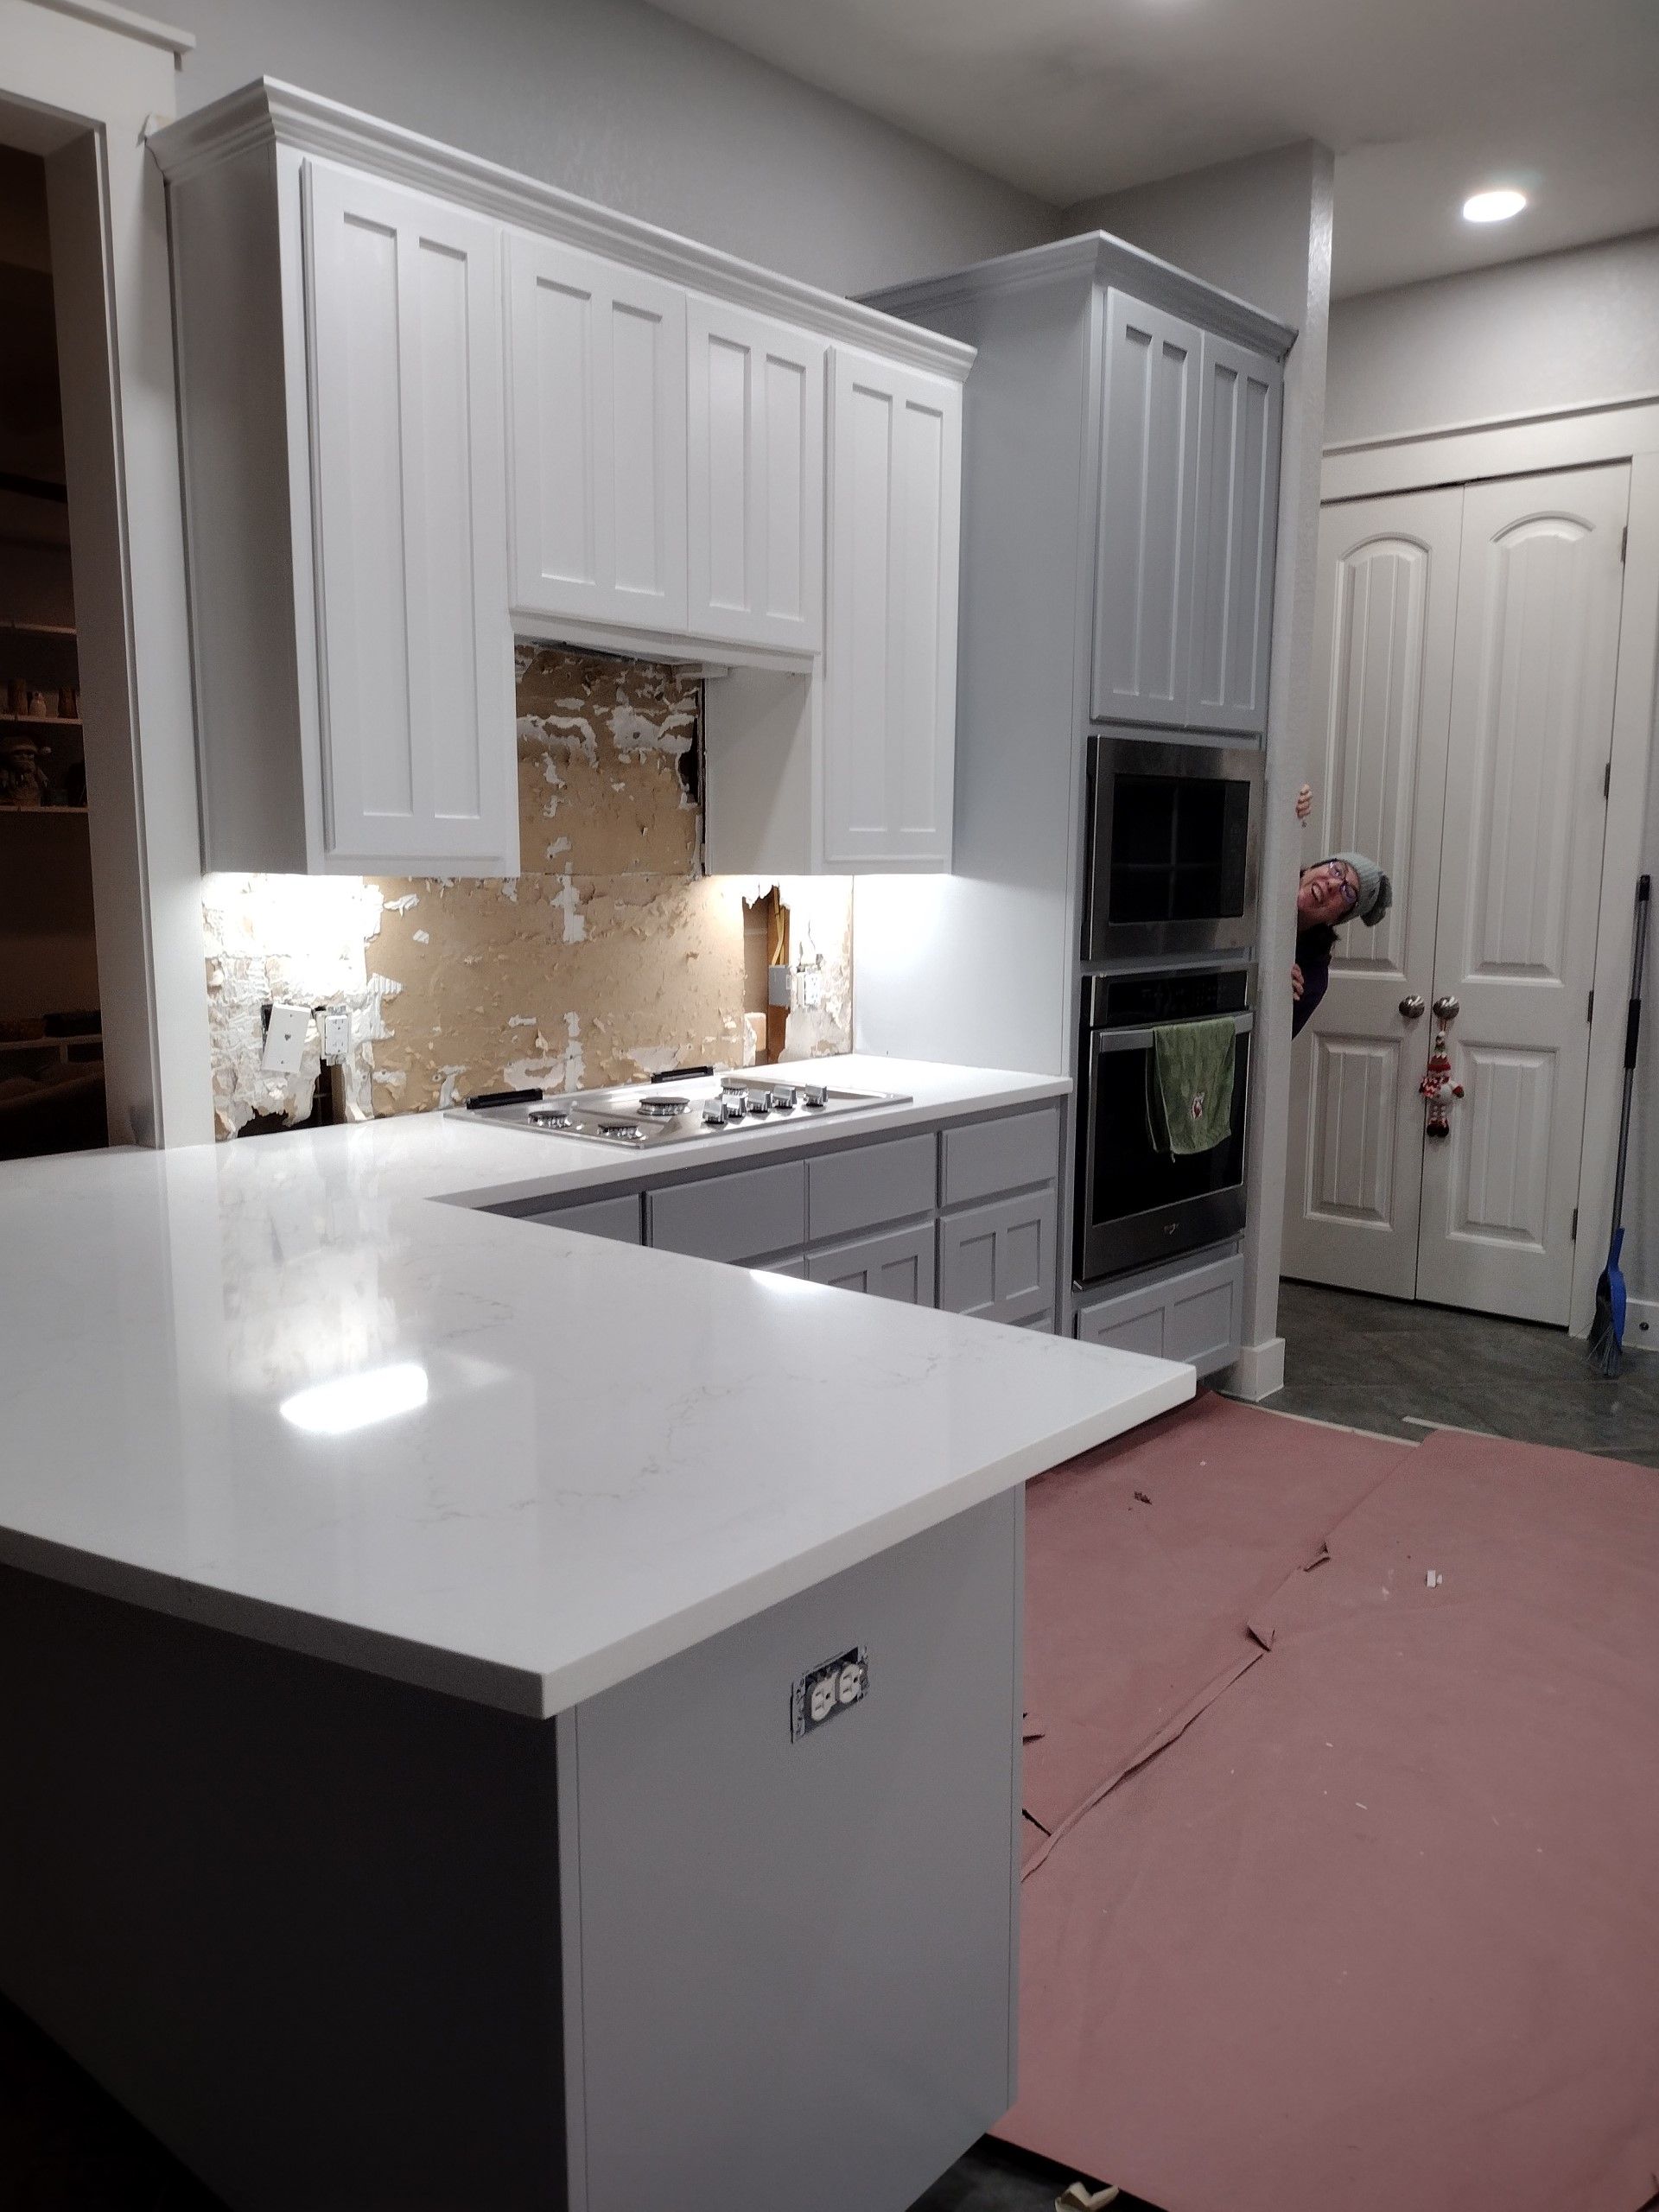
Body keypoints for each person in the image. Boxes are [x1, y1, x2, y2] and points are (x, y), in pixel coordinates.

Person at [1291, 841, 1392, 1036]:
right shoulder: (1262, 874)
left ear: (1337, 919)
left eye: (1348, 893)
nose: (1333, 884)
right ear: (1312, 868)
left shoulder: (1312, 977)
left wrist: (1276, 997)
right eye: (1337, 870)